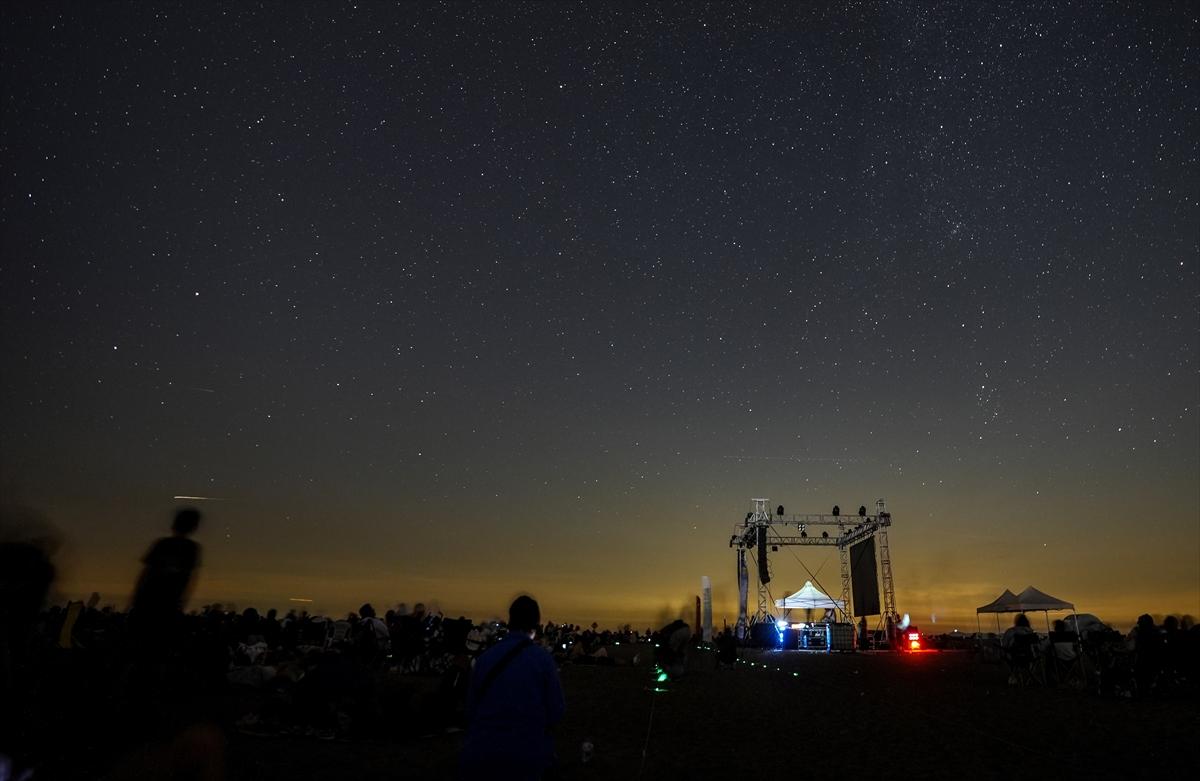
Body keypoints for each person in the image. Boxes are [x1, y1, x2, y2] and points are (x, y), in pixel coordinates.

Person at [460, 595, 565, 780]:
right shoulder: (543, 660)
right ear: (536, 625)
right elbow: (556, 711)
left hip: (481, 752)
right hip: (526, 756)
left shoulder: (485, 659)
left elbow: (470, 710)